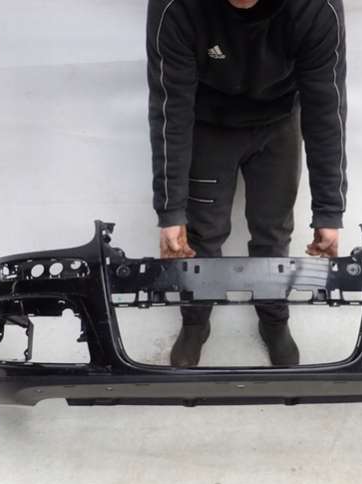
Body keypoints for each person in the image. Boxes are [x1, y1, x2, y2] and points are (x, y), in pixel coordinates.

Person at [146, 0, 347, 367]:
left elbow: (326, 108)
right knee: (202, 236)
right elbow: (169, 108)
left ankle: (273, 319)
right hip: (208, 121)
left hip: (278, 120)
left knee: (273, 232)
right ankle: (195, 322)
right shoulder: (176, 7)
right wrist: (171, 209)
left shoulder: (316, 8)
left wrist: (329, 211)